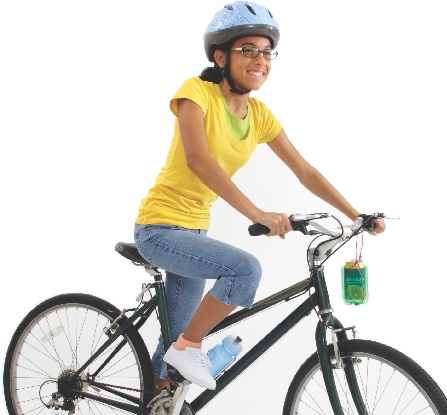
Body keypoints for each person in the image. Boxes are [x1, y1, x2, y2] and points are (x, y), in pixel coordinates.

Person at [134, 1, 386, 393]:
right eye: (248, 49)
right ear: (221, 56)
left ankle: (159, 384)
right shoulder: (195, 93)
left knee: (168, 357)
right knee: (245, 271)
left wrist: (359, 215)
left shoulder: (260, 114)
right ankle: (189, 348)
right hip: (159, 229)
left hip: (195, 233)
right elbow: (199, 160)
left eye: (267, 52)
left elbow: (305, 171)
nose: (260, 60)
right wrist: (258, 213)